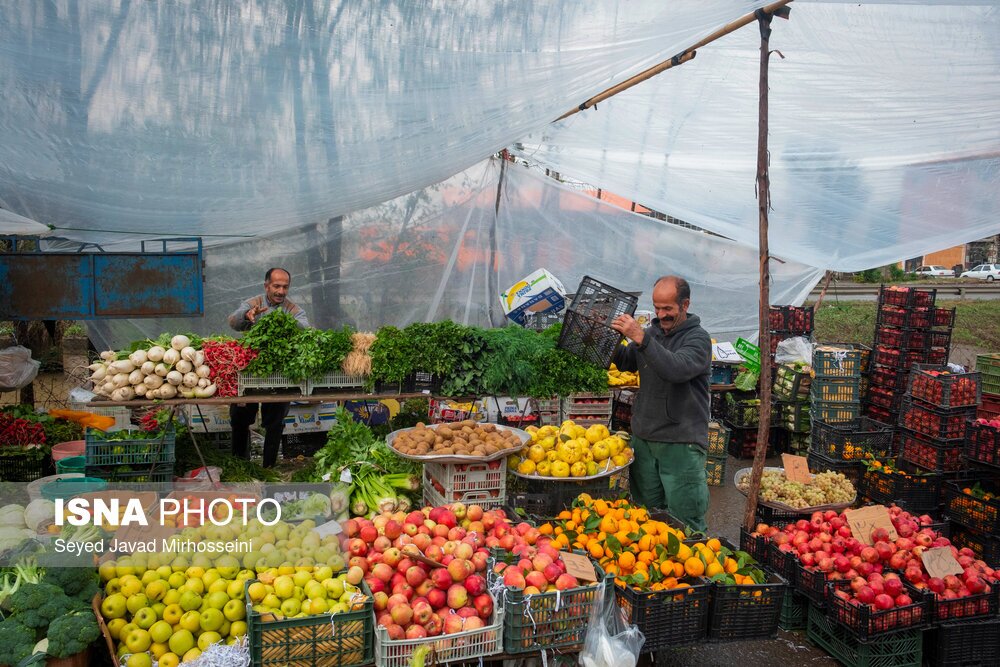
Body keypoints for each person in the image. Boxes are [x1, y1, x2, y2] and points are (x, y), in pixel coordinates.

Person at [610, 275, 712, 532]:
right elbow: (626, 361)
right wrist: (607, 338)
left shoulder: (698, 339)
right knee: (646, 519)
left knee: (685, 522)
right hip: (645, 439)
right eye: (657, 307)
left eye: (668, 308)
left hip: (680, 443)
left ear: (685, 305)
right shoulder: (652, 333)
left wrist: (642, 339)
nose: (660, 314)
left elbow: (675, 369)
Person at [227, 267, 310, 468]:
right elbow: (233, 321)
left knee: (275, 424)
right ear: (266, 286)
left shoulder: (293, 309)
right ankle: (240, 467)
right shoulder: (253, 303)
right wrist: (248, 316)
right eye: (276, 286)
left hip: (278, 376)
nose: (281, 291)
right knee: (240, 421)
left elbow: (306, 328)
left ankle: (268, 468)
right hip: (250, 373)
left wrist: (283, 321)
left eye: (285, 287)